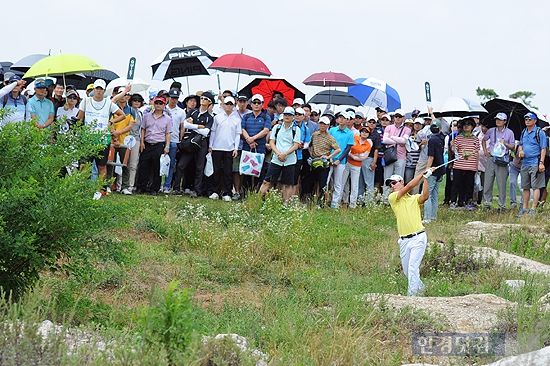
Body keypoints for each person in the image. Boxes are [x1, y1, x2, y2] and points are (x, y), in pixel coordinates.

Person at [386, 168, 433, 297]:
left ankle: (411, 297)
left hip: (418, 237)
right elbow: (410, 186)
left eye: (394, 183)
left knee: (413, 268)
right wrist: (422, 173)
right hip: (404, 240)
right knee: (407, 272)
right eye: (390, 184)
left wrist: (426, 179)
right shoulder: (393, 198)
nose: (392, 186)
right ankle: (423, 290)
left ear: (401, 181)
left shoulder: (414, 199)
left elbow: (425, 197)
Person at [173, 91, 215, 197]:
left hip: (202, 143)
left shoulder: (209, 117)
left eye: (205, 99)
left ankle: (196, 190)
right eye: (202, 98)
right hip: (190, 142)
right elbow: (185, 124)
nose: (202, 100)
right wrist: (199, 126)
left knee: (199, 167)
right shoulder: (193, 112)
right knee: (181, 165)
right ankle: (176, 188)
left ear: (210, 102)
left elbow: (206, 132)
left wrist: (194, 126)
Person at [259, 106, 300, 205]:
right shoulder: (277, 127)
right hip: (276, 159)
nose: (287, 117)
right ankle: (257, 200)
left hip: (289, 160)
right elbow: (272, 142)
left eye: (289, 115)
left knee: (287, 184)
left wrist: (284, 154)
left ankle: (286, 204)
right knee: (266, 181)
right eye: (285, 114)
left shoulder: (296, 129)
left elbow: (296, 145)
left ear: (293, 117)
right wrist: (278, 153)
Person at [135, 96, 172, 195]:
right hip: (147, 143)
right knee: (143, 167)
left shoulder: (167, 119)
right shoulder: (147, 116)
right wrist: (142, 142)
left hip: (159, 144)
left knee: (157, 168)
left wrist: (167, 146)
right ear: (153, 104)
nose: (158, 105)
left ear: (164, 105)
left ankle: (154, 188)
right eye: (157, 103)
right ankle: (141, 187)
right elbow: (143, 129)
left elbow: (168, 133)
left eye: (161, 103)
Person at [300, 116, 341, 204]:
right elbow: (309, 145)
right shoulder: (314, 135)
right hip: (314, 162)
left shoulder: (330, 138)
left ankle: (321, 203)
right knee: (307, 181)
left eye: (324, 124)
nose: (322, 125)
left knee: (322, 184)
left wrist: (329, 157)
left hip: (323, 163)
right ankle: (306, 200)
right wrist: (311, 154)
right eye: (321, 123)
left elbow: (338, 149)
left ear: (328, 126)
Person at [208, 96, 241, 201]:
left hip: (229, 148)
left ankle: (227, 193)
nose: (229, 106)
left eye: (231, 104)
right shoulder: (217, 117)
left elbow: (237, 135)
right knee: (216, 170)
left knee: (228, 171)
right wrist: (210, 145)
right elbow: (213, 132)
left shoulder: (236, 119)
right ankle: (215, 191)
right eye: (227, 104)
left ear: (233, 106)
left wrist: (236, 148)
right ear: (223, 105)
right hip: (217, 147)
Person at [482, 112, 516, 211]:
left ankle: (502, 205)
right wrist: (485, 151)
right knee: (488, 182)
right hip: (492, 157)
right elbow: (484, 140)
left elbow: (513, 147)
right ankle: (487, 203)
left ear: (505, 121)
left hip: (502, 159)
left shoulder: (509, 132)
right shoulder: (492, 131)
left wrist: (505, 143)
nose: (498, 121)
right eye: (497, 119)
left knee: (501, 184)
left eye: (500, 120)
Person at [517, 112, 548, 216]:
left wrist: (541, 163)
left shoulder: (539, 132)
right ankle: (524, 207)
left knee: (536, 186)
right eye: (526, 119)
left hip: (535, 161)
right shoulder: (524, 132)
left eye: (530, 119)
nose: (527, 121)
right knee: (525, 186)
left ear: (535, 120)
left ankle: (533, 208)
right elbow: (520, 145)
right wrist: (520, 151)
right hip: (525, 162)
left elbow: (543, 148)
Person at [240, 94, 272, 193]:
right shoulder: (246, 116)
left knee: (259, 172)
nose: (256, 105)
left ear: (263, 104)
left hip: (260, 148)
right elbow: (242, 129)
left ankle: (257, 195)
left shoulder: (266, 117)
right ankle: (245, 194)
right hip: (247, 147)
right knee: (246, 172)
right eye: (254, 102)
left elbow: (266, 130)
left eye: (259, 103)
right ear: (251, 104)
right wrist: (248, 139)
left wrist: (253, 138)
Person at [449, 118, 479, 210]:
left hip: (471, 165)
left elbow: (477, 152)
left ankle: (468, 202)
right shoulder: (458, 137)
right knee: (456, 183)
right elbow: (454, 151)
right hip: (459, 164)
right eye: (465, 124)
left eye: (469, 124)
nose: (466, 126)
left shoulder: (475, 139)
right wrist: (452, 145)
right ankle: (453, 201)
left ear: (472, 127)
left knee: (469, 185)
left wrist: (476, 166)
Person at [382, 109, 411, 203]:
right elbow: (385, 140)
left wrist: (393, 138)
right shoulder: (389, 127)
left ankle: (397, 199)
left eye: (399, 116)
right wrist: (399, 140)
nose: (397, 118)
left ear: (403, 118)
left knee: (399, 178)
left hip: (401, 156)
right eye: (396, 116)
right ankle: (386, 199)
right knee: (387, 177)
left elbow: (404, 140)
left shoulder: (407, 129)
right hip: (390, 156)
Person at [161, 88, 185, 194]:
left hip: (174, 140)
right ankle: (156, 184)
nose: (174, 100)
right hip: (161, 139)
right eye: (172, 98)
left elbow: (182, 127)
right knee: (159, 162)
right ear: (168, 98)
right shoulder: (163, 108)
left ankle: (167, 185)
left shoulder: (181, 112)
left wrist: (180, 140)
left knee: (171, 164)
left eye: (176, 98)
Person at [329, 112, 355, 208]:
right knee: (327, 181)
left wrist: (339, 160)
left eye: (343, 118)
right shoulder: (332, 130)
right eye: (340, 117)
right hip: (330, 158)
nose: (341, 119)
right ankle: (324, 200)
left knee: (338, 182)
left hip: (341, 160)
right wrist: (330, 157)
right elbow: (328, 144)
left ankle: (334, 203)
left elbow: (347, 149)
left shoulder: (349, 133)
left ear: (347, 120)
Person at [342, 126, 372, 208]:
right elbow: (347, 149)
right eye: (363, 131)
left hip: (357, 166)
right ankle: (338, 202)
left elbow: (363, 157)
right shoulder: (354, 138)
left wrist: (353, 156)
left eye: (366, 132)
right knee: (342, 182)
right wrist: (355, 155)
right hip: (347, 163)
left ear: (369, 134)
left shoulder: (368, 144)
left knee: (354, 185)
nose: (364, 133)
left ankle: (352, 204)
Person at [423, 119, 446, 223]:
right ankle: (433, 217)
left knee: (427, 193)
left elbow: (431, 157)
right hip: (441, 169)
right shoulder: (442, 137)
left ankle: (427, 217)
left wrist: (427, 169)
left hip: (433, 169)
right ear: (440, 129)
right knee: (435, 194)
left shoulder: (432, 140)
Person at [127, 93, 144, 193]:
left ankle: (130, 185)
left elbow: (141, 129)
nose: (136, 102)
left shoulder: (141, 113)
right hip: (126, 138)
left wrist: (141, 142)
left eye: (139, 100)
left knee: (134, 164)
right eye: (135, 100)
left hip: (136, 139)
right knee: (124, 162)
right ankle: (121, 184)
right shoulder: (127, 111)